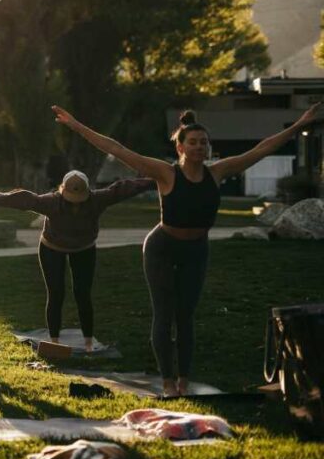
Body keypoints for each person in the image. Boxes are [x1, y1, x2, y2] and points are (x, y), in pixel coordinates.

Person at [53, 102, 322, 395]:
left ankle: (184, 381)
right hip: (162, 248)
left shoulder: (217, 172)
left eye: (204, 142)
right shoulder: (165, 173)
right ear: (180, 147)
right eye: (192, 142)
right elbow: (117, 149)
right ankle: (168, 382)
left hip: (196, 250)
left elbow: (260, 150)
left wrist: (298, 125)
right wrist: (76, 125)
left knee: (185, 317)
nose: (199, 147)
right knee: (164, 314)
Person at [0, 171, 155, 351]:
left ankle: (88, 343)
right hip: (52, 248)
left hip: (84, 249)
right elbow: (24, 200)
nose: (75, 203)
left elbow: (123, 189)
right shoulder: (51, 201)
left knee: (83, 294)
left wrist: (154, 179)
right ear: (63, 191)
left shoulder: (98, 199)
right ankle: (54, 342)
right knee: (55, 294)